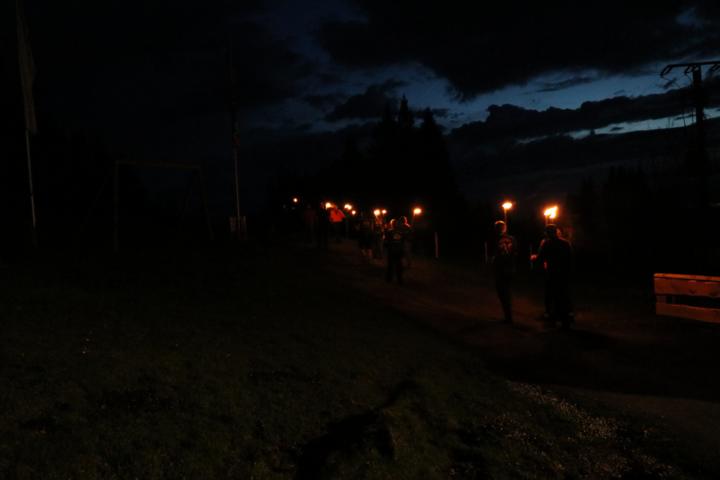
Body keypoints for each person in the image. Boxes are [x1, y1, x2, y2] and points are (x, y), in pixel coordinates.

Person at [532, 224, 574, 329]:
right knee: (563, 296)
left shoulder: (547, 244)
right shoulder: (566, 243)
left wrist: (534, 258)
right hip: (564, 274)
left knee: (552, 296)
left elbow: (541, 258)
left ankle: (553, 319)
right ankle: (565, 319)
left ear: (547, 233)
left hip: (552, 274)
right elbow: (570, 259)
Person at [489, 220, 517, 323]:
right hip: (510, 268)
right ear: (504, 228)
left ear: (496, 229)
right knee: (507, 291)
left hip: (500, 269)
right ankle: (508, 315)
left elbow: (493, 253)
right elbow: (515, 252)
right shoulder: (512, 239)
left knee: (502, 292)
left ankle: (508, 317)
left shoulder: (495, 239)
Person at [384, 218, 408, 284]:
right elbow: (404, 241)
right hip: (395, 251)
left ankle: (391, 279)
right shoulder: (398, 232)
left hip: (394, 251)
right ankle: (396, 279)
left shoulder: (392, 232)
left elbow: (386, 242)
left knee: (393, 266)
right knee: (396, 265)